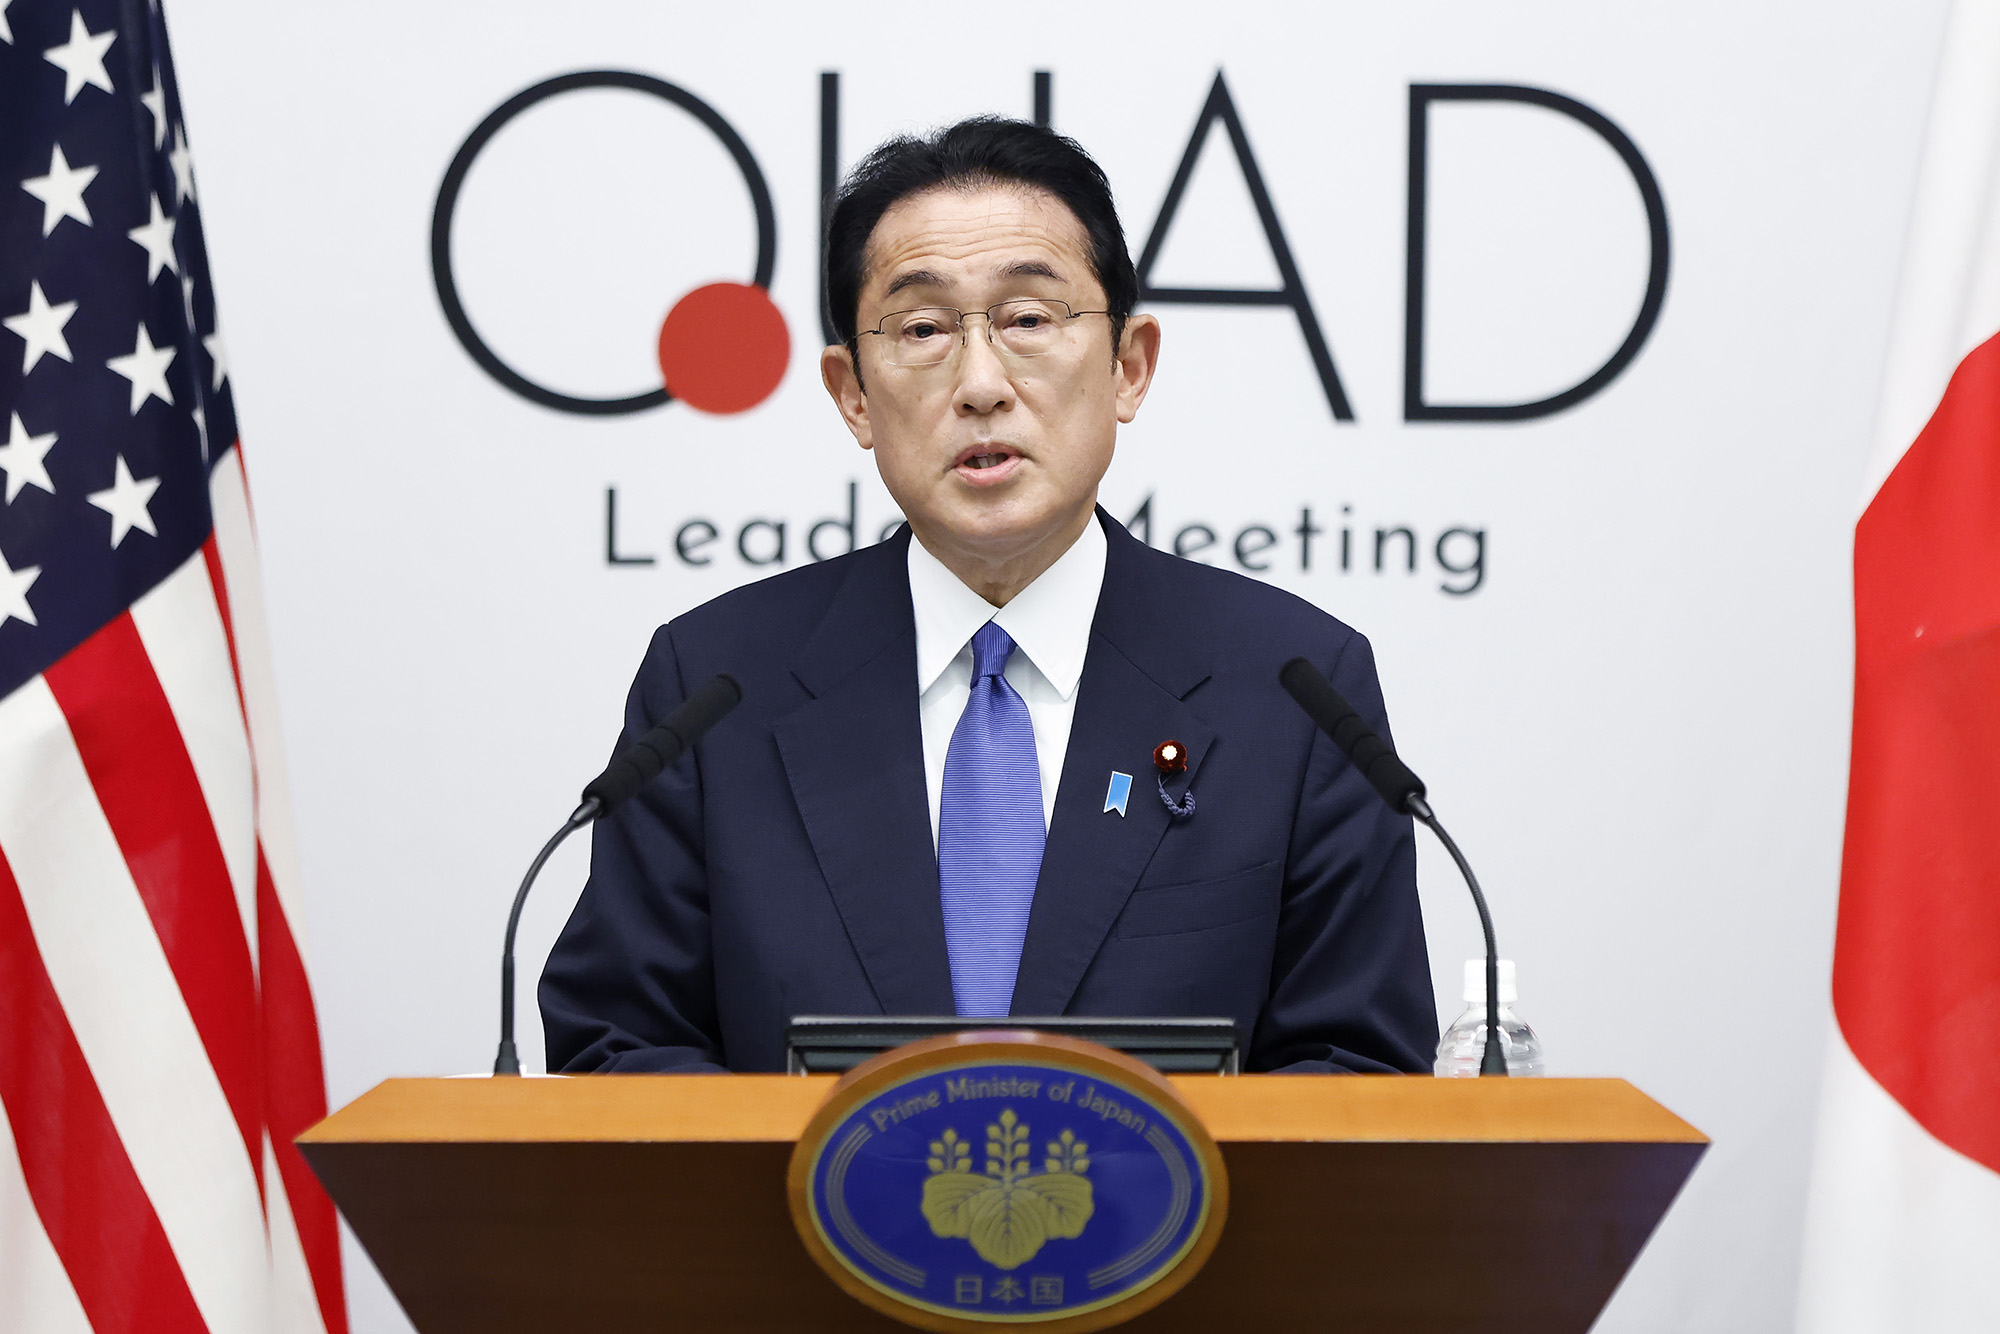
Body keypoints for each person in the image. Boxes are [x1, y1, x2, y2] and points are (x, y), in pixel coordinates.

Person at [539, 117, 1437, 1073]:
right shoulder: (714, 686)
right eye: (923, 328)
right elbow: (616, 1048)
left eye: (1028, 319)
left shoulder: (1294, 690)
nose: (979, 384)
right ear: (851, 394)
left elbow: (1360, 1072)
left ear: (1129, 366)